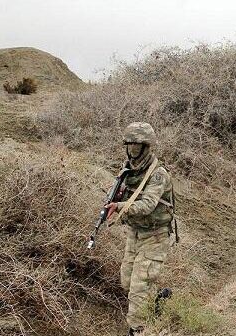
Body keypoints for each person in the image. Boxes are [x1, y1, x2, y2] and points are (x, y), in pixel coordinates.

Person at [104, 122, 176, 335]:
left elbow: (147, 205)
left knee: (138, 288)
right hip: (134, 234)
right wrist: (113, 200)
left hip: (155, 236)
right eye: (129, 145)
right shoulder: (128, 169)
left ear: (147, 147)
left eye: (137, 145)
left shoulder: (158, 174)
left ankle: (139, 330)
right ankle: (157, 304)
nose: (132, 149)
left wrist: (120, 207)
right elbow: (117, 191)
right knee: (127, 281)